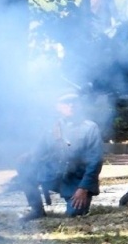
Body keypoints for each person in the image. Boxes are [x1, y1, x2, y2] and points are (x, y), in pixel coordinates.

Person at [15, 92, 103, 220]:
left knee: (75, 213)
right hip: (53, 175)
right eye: (66, 103)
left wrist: (84, 188)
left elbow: (95, 161)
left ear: (80, 105)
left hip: (75, 180)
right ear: (58, 107)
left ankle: (77, 199)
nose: (71, 106)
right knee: (24, 166)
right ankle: (36, 209)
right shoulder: (52, 126)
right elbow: (39, 150)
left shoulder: (90, 128)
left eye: (74, 102)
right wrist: (27, 157)